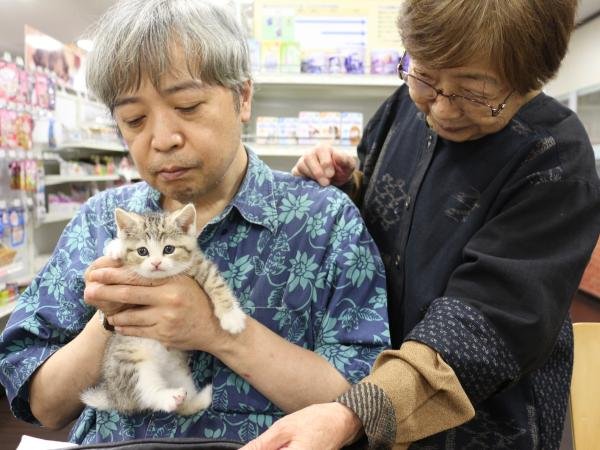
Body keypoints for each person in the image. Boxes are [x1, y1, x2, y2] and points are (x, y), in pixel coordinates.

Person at [0, 0, 390, 445]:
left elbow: (361, 402)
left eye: (187, 106)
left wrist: (214, 330)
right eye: (134, 119)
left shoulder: (324, 221)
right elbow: (44, 405)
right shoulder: (99, 222)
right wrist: (110, 319)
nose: (163, 140)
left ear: (243, 97)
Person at [242, 0, 600, 449]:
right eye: (426, 77)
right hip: (370, 398)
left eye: (474, 93)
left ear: (531, 77)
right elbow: (383, 217)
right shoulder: (404, 107)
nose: (443, 110)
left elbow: (487, 323)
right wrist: (345, 188)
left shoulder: (555, 158)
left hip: (485, 423)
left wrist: (358, 411)